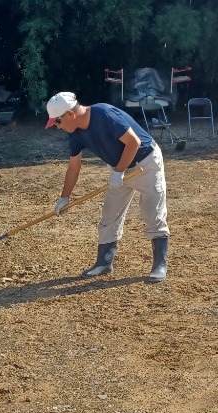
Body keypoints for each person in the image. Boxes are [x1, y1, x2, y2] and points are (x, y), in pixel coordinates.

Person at [46, 92, 170, 282]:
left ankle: (159, 264)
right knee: (110, 214)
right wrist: (65, 197)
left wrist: (118, 172)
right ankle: (104, 262)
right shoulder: (75, 133)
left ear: (70, 114)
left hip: (146, 162)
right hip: (118, 167)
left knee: (152, 211)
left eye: (57, 122)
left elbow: (134, 142)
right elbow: (74, 166)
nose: (58, 127)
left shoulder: (104, 114)